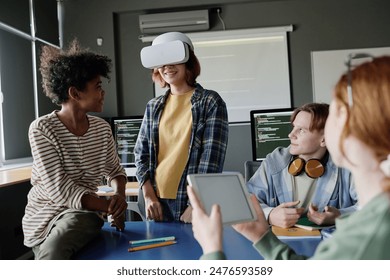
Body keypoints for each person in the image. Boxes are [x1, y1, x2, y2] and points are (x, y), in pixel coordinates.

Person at [189, 55, 390, 259]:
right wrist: (261, 235)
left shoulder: (365, 238)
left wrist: (212, 248)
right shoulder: (376, 217)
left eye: (338, 111)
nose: (290, 135)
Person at [22, 40, 128, 260]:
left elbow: (116, 171)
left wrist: (118, 197)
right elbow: (61, 191)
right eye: (97, 87)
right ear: (75, 93)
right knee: (52, 250)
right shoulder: (41, 129)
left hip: (81, 214)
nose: (103, 92)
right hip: (41, 218)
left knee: (56, 249)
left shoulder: (101, 129)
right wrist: (108, 207)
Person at [134, 32, 229, 222]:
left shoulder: (210, 101)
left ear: (189, 63)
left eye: (174, 59)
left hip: (189, 201)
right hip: (155, 201)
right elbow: (140, 154)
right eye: (162, 62)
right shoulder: (153, 106)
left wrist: (196, 203)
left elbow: (211, 160)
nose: (167, 66)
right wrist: (148, 196)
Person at [247, 103, 357, 228]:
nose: (291, 135)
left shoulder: (345, 165)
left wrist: (340, 216)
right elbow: (246, 201)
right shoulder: (274, 162)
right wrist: (270, 214)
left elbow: (373, 206)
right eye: (294, 127)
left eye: (301, 130)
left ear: (324, 140)